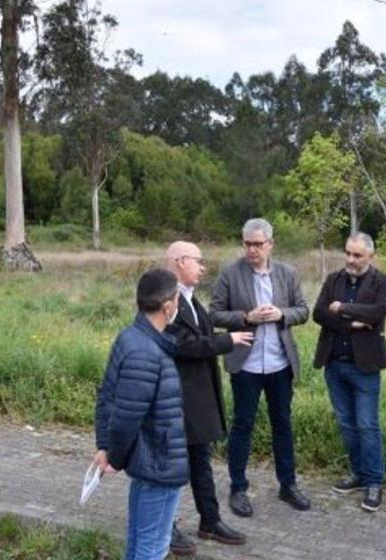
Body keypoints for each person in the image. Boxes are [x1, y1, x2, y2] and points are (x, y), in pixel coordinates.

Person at [210, 218, 311, 517]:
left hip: (280, 363)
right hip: (246, 365)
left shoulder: (288, 273)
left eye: (258, 244)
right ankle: (238, 487)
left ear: (270, 244)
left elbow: (303, 310)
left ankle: (287, 484)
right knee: (242, 425)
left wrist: (281, 314)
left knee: (283, 424)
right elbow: (214, 314)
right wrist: (246, 317)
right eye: (247, 244)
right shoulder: (230, 273)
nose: (252, 250)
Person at [92, 268, 188, 560]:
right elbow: (126, 416)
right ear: (168, 307)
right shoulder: (146, 353)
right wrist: (114, 456)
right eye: (177, 301)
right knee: (152, 548)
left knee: (138, 542)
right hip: (158, 463)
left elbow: (107, 397)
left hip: (149, 461)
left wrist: (106, 446)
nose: (179, 307)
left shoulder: (131, 338)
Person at [164, 241, 253, 556]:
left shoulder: (189, 298)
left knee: (200, 461)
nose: (203, 267)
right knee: (173, 466)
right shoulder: (166, 299)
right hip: (177, 398)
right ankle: (165, 525)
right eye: (198, 261)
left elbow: (198, 336)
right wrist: (226, 341)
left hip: (198, 396)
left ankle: (210, 520)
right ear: (180, 262)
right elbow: (183, 344)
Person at [312, 232, 386, 512]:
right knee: (347, 424)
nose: (350, 259)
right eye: (348, 253)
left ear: (370, 256)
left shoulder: (382, 282)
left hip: (365, 366)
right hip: (334, 363)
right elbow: (319, 313)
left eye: (357, 255)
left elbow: (377, 313)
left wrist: (342, 308)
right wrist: (351, 322)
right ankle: (358, 474)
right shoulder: (333, 279)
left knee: (367, 425)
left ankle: (374, 482)